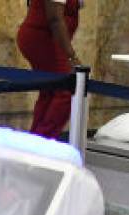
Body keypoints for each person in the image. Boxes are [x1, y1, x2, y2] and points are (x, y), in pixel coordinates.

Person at [15, 0, 82, 140]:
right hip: (43, 38)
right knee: (66, 90)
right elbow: (55, 19)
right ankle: (42, 142)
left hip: (46, 37)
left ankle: (35, 140)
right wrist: (72, 57)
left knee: (50, 92)